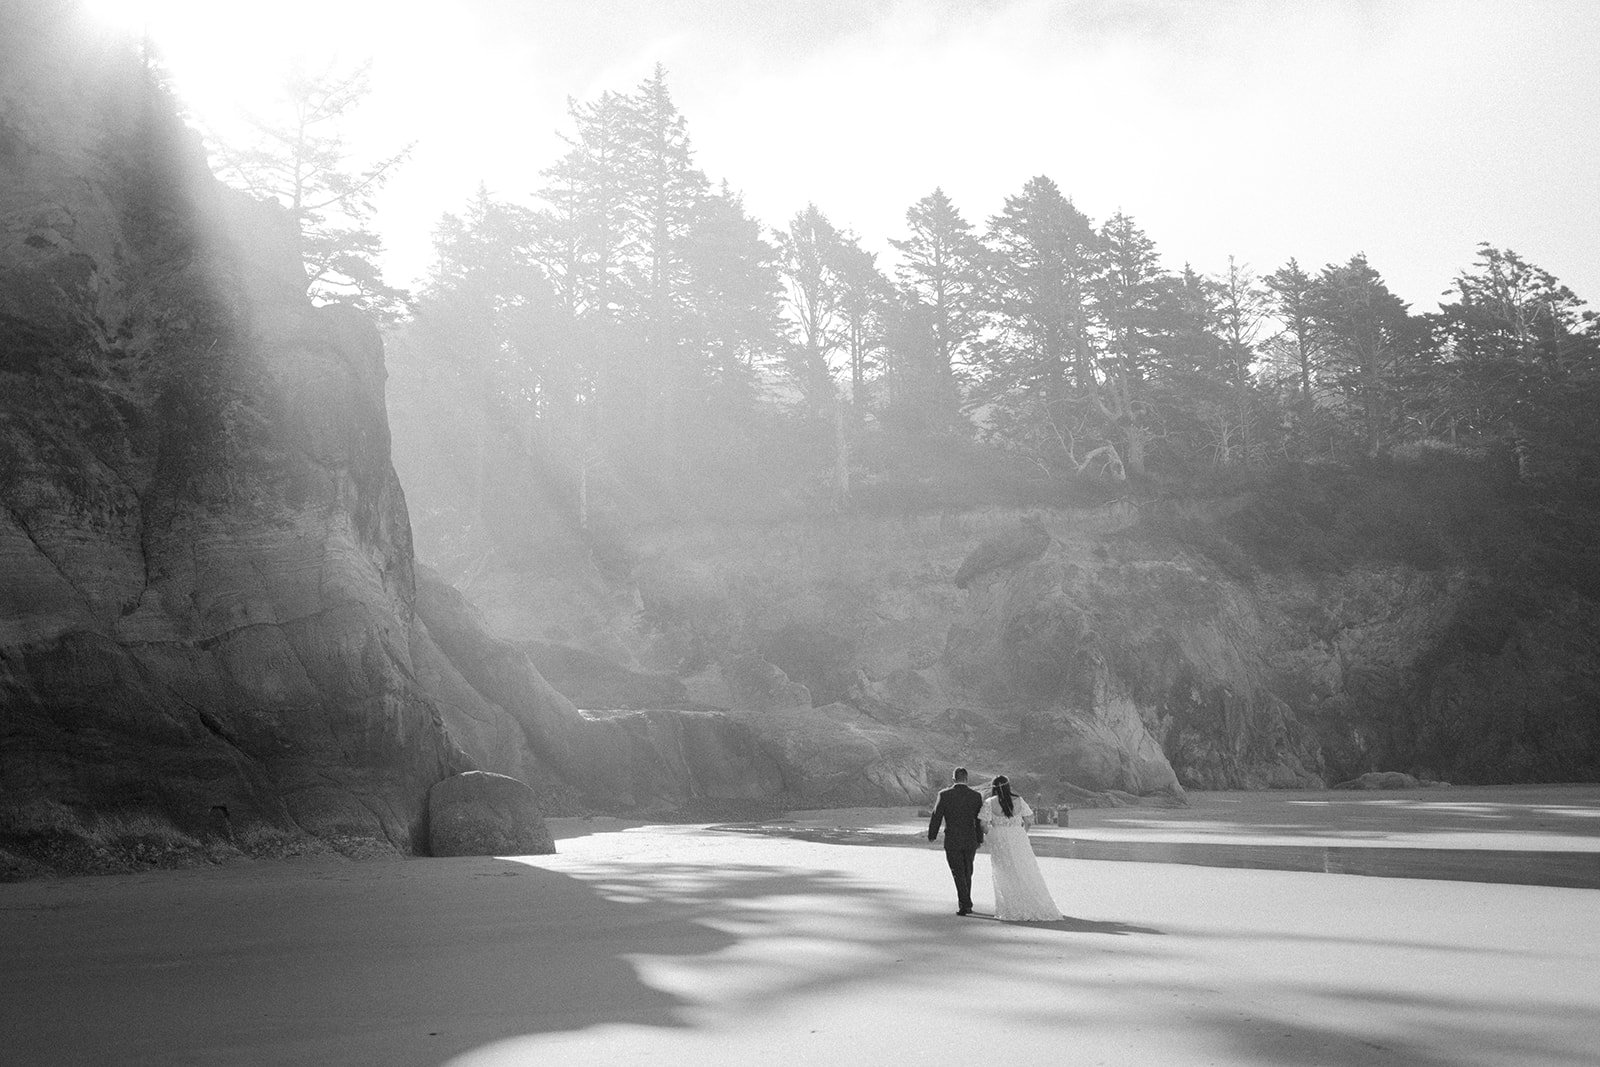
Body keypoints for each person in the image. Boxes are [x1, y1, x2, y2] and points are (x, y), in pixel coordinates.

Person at [979, 775, 1062, 921]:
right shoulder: (1019, 800)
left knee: (1005, 873)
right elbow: (1029, 820)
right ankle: (1034, 903)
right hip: (1018, 837)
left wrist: (991, 835)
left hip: (1000, 839)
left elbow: (983, 824)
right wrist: (1022, 833)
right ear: (1008, 786)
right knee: (1026, 870)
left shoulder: (989, 802)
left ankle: (1012, 907)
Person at [927, 766, 984, 915]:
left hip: (952, 839)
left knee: (958, 872)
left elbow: (936, 816)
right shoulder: (976, 796)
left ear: (953, 779)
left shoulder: (944, 795)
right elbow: (979, 820)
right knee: (967, 871)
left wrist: (932, 835)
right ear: (967, 779)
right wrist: (979, 838)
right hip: (970, 839)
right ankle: (966, 903)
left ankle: (965, 904)